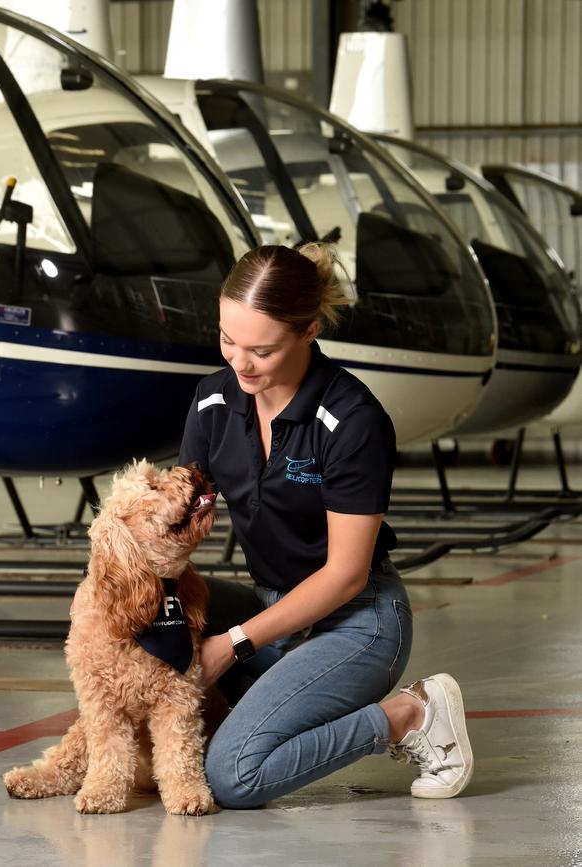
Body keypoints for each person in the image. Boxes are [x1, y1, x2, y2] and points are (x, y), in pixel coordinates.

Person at [178, 243, 474, 809]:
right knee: (135, 608)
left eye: (261, 350)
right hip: (272, 610)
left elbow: (343, 576)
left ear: (309, 330)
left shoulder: (353, 420)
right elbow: (177, 511)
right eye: (227, 340)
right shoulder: (213, 399)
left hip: (355, 620)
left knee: (234, 776)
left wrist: (231, 646)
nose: (239, 363)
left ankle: (410, 713)